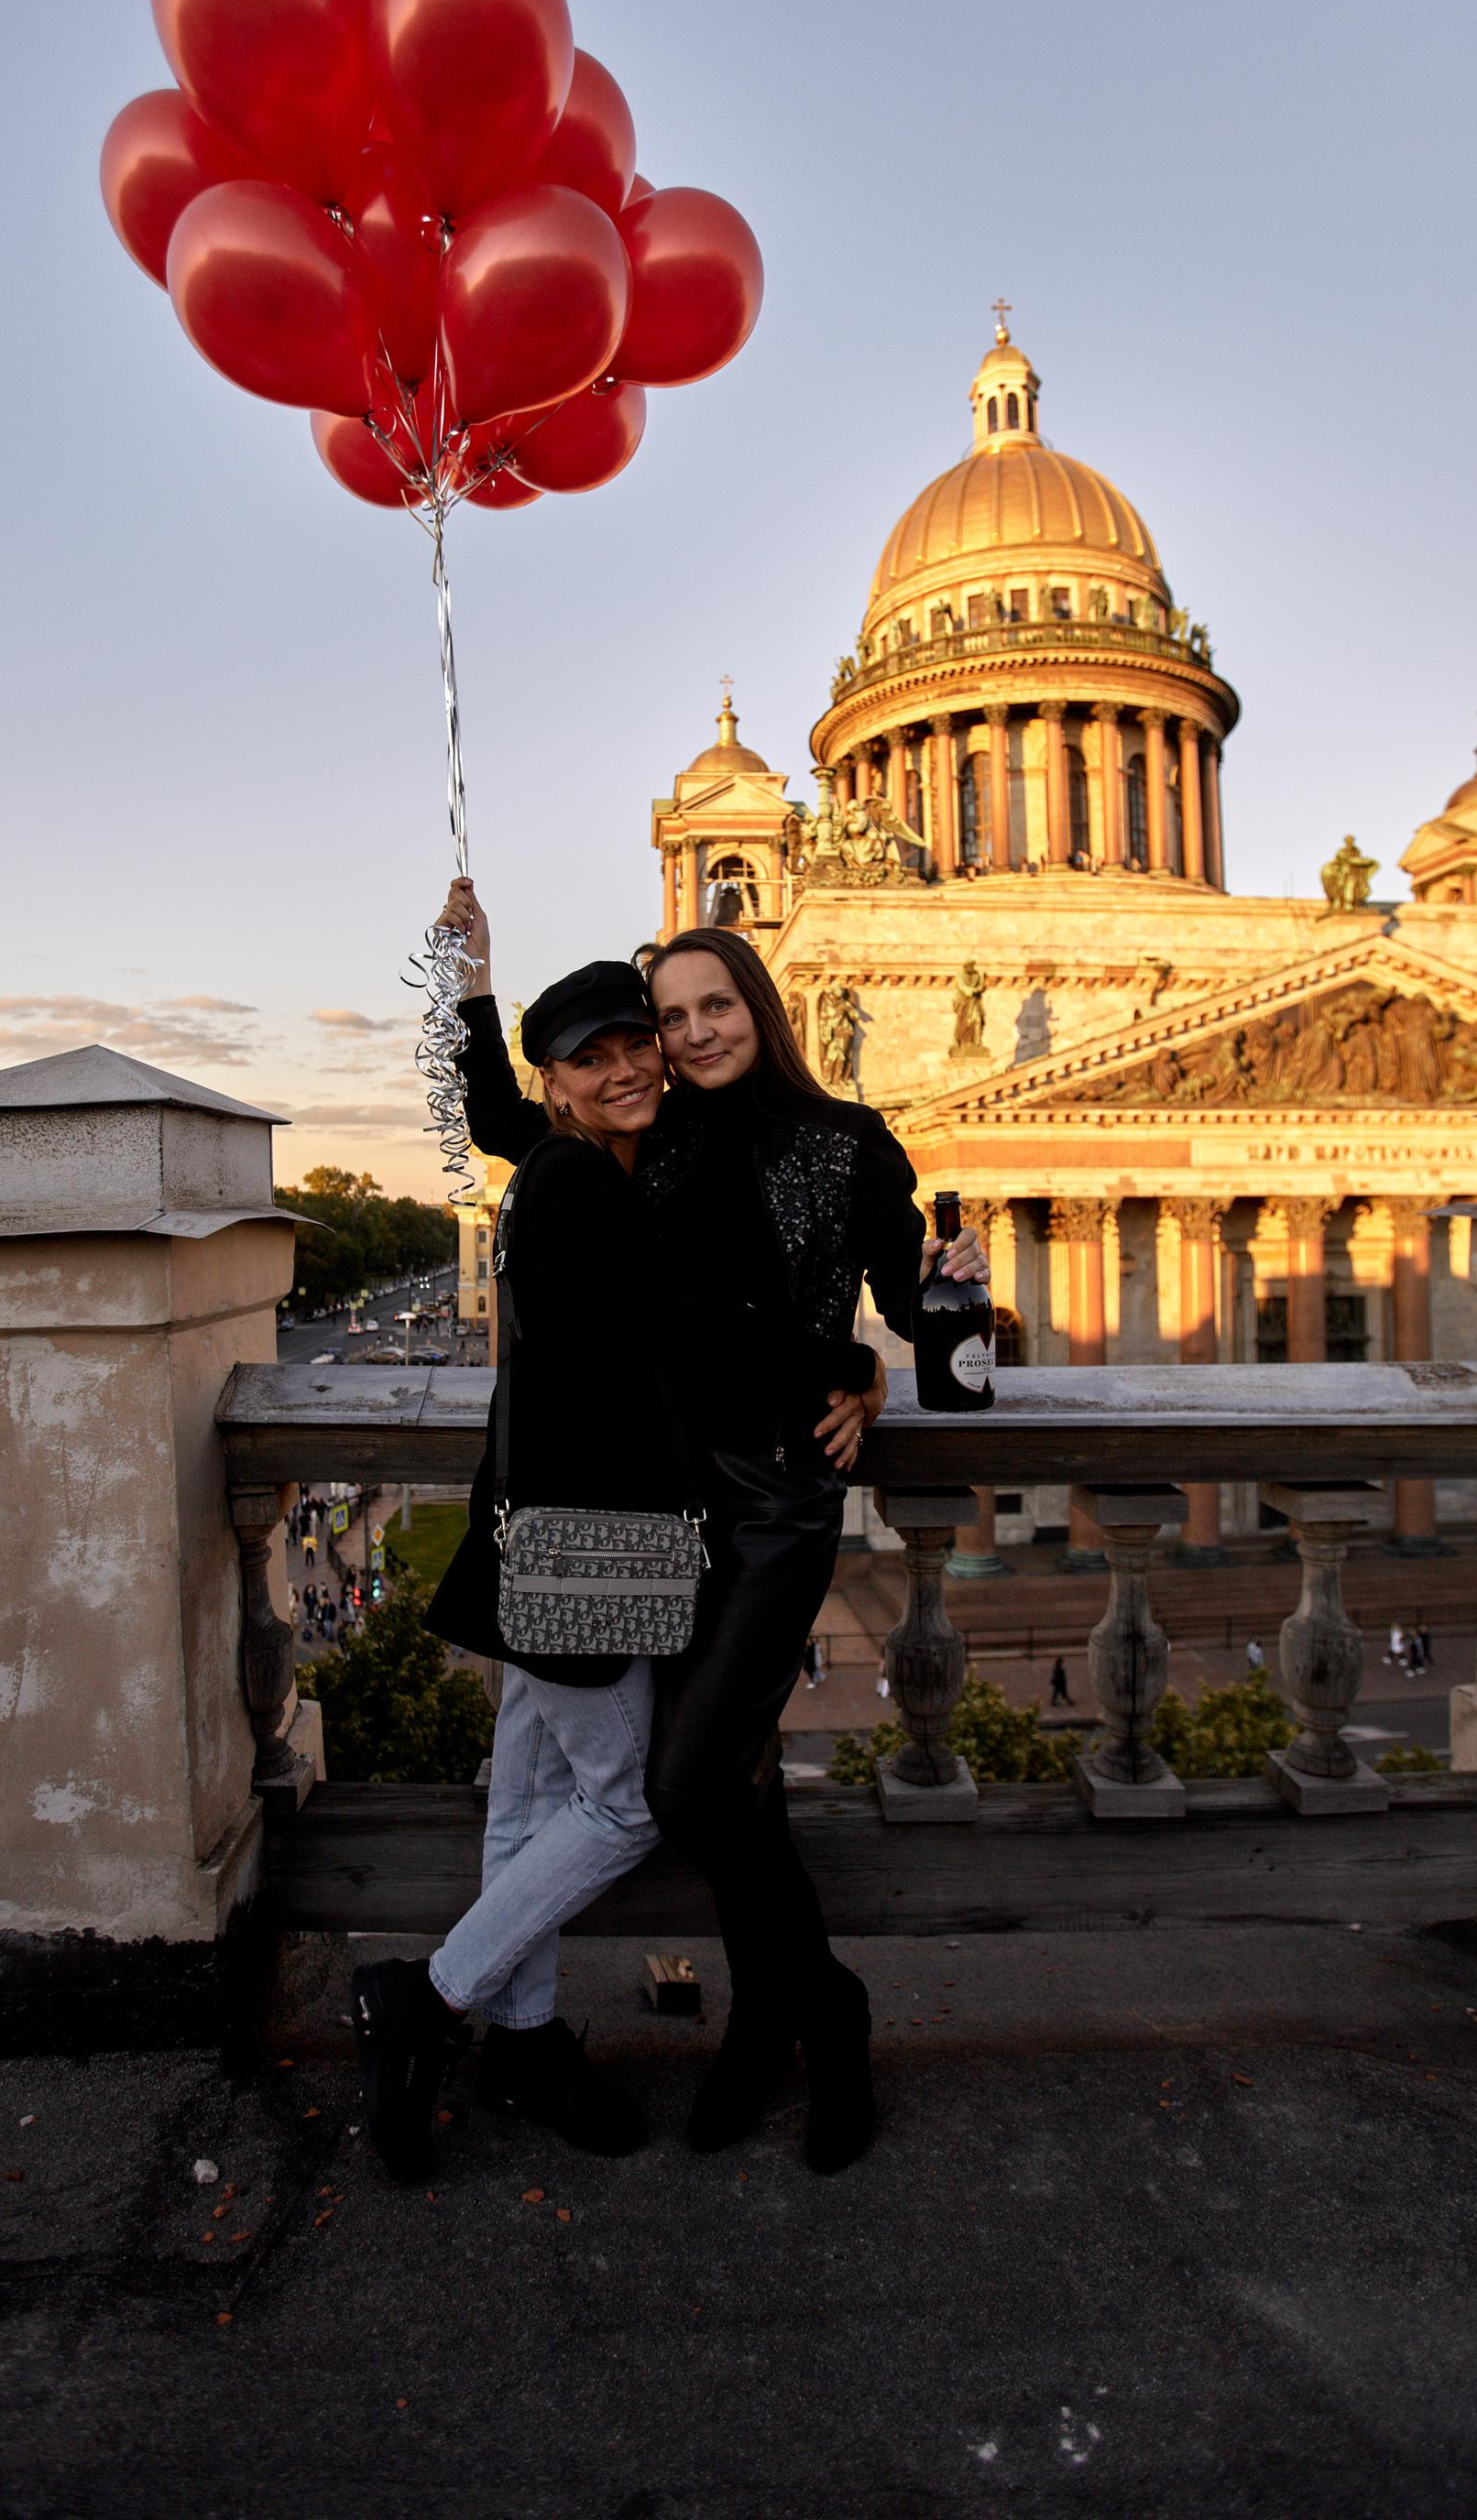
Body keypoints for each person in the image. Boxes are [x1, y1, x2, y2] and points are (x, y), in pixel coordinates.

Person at [441, 879, 991, 2174]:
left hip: (778, 1505)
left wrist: (901, 1337)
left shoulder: (854, 1141)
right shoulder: (654, 1136)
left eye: (710, 1006)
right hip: (667, 1504)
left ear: (761, 1002)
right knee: (729, 1783)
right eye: (668, 1015)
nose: (687, 1036)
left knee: (682, 1784)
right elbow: (506, 1118)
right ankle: (766, 2023)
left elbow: (908, 1302)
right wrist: (474, 986)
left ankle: (826, 2012)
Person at [356, 952, 863, 2185]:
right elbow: (695, 1318)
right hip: (589, 1534)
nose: (632, 1064)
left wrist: (472, 993)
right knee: (628, 1805)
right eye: (595, 1058)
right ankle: (426, 1999)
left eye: (637, 1040)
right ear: (563, 1087)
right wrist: (842, 1367)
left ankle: (523, 2045)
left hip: (569, 1523)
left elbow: (489, 1110)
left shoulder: (607, 1149)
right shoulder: (577, 1185)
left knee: (526, 1803)